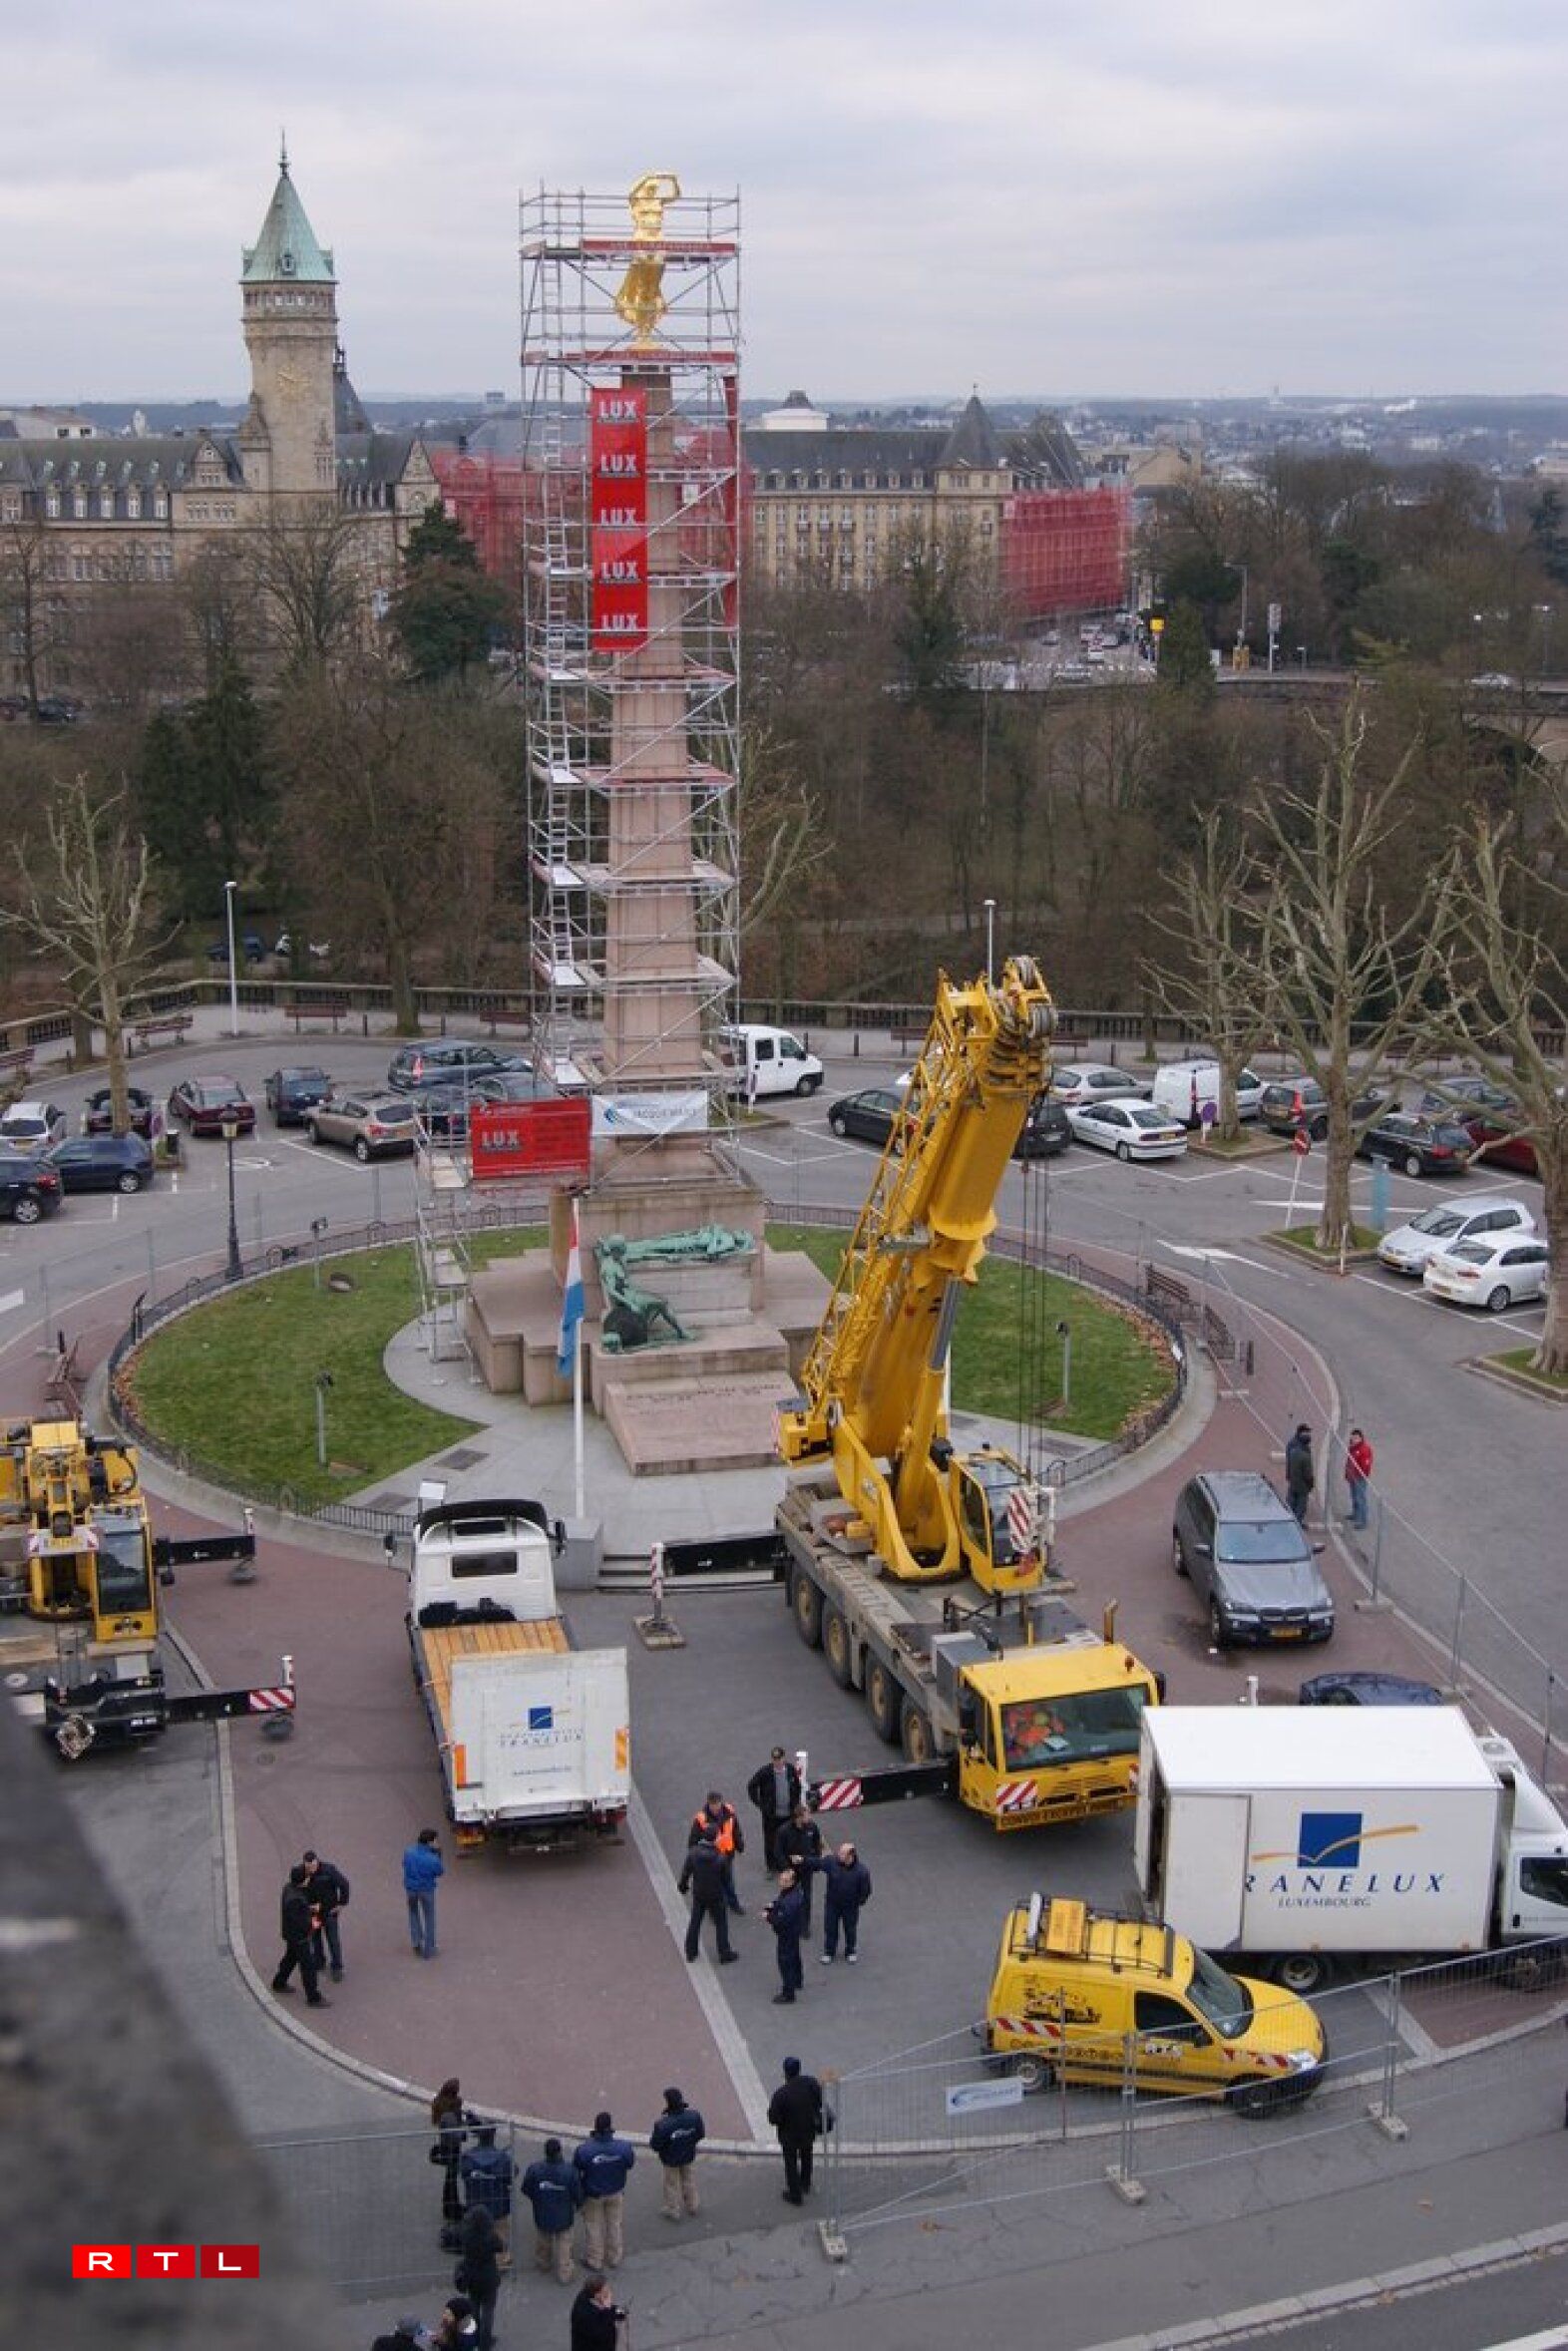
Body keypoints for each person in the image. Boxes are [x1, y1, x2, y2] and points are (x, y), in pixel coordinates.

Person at [574, 2111, 634, 2271]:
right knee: (615, 2224)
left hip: (593, 2194)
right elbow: (629, 2164)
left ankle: (595, 2260)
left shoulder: (585, 2150)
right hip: (616, 2191)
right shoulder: (624, 2148)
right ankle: (614, 2257)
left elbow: (577, 2169)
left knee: (593, 2226)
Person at [521, 2134, 581, 2284]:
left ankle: (544, 2263)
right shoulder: (570, 2171)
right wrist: (577, 2205)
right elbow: (578, 2193)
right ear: (560, 2151)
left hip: (542, 2212)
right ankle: (565, 2273)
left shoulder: (534, 2169)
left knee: (543, 2239)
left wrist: (537, 2199)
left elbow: (526, 2189)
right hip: (564, 2214)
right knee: (564, 2243)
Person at [767, 2055, 825, 2204]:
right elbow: (819, 2102)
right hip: (808, 2130)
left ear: (785, 2073)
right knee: (807, 2155)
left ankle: (795, 2195)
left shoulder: (781, 2094)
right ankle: (805, 2184)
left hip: (789, 2135)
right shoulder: (811, 2083)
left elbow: (773, 2119)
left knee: (791, 2163)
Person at [272, 1862, 329, 2007]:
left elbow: (298, 1913)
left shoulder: (289, 1889)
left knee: (290, 1958)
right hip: (300, 1938)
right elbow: (303, 1923)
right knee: (308, 1967)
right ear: (303, 1880)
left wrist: (308, 1909)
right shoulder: (296, 1899)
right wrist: (316, 1921)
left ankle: (279, 1982)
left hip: (291, 1935)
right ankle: (313, 1997)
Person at [677, 1826, 737, 1964]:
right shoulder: (720, 1857)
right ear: (715, 1839)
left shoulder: (693, 1853)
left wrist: (683, 1886)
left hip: (699, 1893)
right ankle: (724, 1953)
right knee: (721, 1923)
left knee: (695, 1921)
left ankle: (691, 1951)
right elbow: (726, 1879)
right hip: (716, 1895)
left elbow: (686, 1872)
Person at [649, 2085, 705, 2220]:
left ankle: (673, 2209)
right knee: (689, 2180)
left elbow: (655, 2145)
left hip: (670, 2159)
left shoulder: (663, 2124)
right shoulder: (694, 2116)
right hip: (688, 2155)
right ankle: (692, 2205)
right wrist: (689, 2143)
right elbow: (700, 2134)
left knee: (671, 2184)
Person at [459, 2122, 514, 2254]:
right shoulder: (503, 2158)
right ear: (493, 2136)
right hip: (498, 2205)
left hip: (475, 2204)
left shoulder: (467, 2157)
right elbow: (512, 2175)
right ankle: (501, 2259)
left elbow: (463, 2175)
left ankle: (478, 2257)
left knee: (477, 2235)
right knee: (500, 2235)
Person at [688, 1788, 745, 1913]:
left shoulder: (729, 1811)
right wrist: (695, 1854)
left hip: (727, 1854)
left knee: (728, 1881)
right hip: (711, 1856)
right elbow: (693, 1839)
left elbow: (735, 1829)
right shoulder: (701, 1818)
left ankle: (733, 1903)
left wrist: (739, 1844)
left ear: (721, 1802)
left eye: (717, 1804)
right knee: (715, 1884)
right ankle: (716, 1908)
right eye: (713, 1805)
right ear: (708, 1803)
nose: (715, 1808)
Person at [457, 2202, 503, 2351]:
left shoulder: (466, 2235)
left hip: (472, 2277)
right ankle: (485, 2342)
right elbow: (500, 2247)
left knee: (474, 2308)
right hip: (488, 2277)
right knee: (488, 2311)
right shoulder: (490, 2237)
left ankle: (475, 2338)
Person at [746, 1746, 801, 1869]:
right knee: (770, 1841)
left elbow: (797, 1786)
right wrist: (760, 1804)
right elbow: (751, 1785)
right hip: (771, 1816)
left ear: (784, 1758)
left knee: (788, 1839)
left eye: (779, 1759)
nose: (777, 1762)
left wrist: (795, 1803)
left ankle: (786, 1864)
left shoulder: (791, 1770)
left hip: (788, 1814)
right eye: (775, 1759)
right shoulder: (765, 1772)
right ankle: (771, 1866)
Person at [818, 1841, 873, 1964]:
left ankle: (850, 1951)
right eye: (840, 1852)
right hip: (832, 1904)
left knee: (850, 1929)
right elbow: (817, 1863)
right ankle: (829, 1952)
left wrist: (859, 1902)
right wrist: (803, 1860)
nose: (839, 1854)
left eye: (842, 1853)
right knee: (830, 1928)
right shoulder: (832, 1863)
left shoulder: (862, 1871)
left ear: (850, 1856)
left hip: (850, 1906)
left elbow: (866, 1890)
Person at [302, 1848, 350, 1981]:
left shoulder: (329, 1871)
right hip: (314, 1913)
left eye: (312, 1866)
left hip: (329, 1913)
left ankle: (337, 1967)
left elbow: (344, 1884)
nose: (311, 1870)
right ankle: (319, 1960)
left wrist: (342, 1903)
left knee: (333, 1940)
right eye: (308, 1867)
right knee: (315, 1937)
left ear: (316, 1862)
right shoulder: (303, 1873)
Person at [774, 1803, 824, 1930]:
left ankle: (805, 1925)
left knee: (806, 1897)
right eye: (807, 1815)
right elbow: (778, 1852)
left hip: (806, 1868)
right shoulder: (784, 1831)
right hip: (791, 1870)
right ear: (799, 1818)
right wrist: (787, 1868)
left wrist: (815, 1861)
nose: (810, 1817)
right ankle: (789, 1920)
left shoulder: (812, 1827)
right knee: (789, 1896)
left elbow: (817, 1844)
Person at [765, 1866, 808, 2005]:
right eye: (781, 1879)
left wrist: (768, 1916)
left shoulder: (790, 1901)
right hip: (794, 1931)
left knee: (785, 1962)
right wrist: (774, 1905)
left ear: (792, 1882)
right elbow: (781, 1902)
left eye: (784, 1880)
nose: (781, 1882)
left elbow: (781, 1920)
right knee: (795, 1957)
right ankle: (797, 1980)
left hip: (787, 1934)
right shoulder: (793, 1893)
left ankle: (788, 1993)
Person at [431, 2079, 468, 2240]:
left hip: (445, 2145)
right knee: (451, 2178)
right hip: (453, 2147)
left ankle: (449, 2205)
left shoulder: (439, 2103)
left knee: (450, 2178)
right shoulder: (452, 2110)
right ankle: (452, 2207)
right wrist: (463, 2131)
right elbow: (457, 2133)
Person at [404, 1827, 444, 1959]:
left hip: (411, 1889)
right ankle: (429, 1948)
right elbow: (439, 1871)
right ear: (430, 1842)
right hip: (426, 1889)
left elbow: (404, 1865)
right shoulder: (432, 1858)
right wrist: (438, 1855)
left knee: (413, 1913)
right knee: (429, 1917)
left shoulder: (408, 1852)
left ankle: (416, 1941)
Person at [570, 2273, 625, 2351]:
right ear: (597, 2294)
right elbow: (601, 2333)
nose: (609, 2293)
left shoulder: (591, 2296)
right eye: (606, 2292)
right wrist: (607, 2308)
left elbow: (609, 2310)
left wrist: (620, 2312)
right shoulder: (584, 2314)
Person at [1345, 1426, 1374, 1531]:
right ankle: (1355, 1514)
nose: (1354, 1439)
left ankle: (1363, 1521)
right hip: (1352, 1476)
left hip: (1359, 1478)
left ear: (1361, 1438)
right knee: (1354, 1496)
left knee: (1361, 1498)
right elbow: (1349, 1461)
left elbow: (1366, 1466)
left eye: (1356, 1438)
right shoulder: (1352, 1447)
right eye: (1353, 1437)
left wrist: (1360, 1476)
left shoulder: (1364, 1449)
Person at [1285, 1424, 1315, 1525]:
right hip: (1300, 1481)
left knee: (1292, 1500)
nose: (1308, 1434)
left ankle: (1290, 1521)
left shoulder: (1295, 1446)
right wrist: (1310, 1484)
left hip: (1294, 1478)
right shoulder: (1297, 1447)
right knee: (1299, 1504)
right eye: (1306, 1432)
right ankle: (1296, 1524)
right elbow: (1307, 1472)